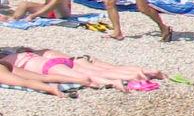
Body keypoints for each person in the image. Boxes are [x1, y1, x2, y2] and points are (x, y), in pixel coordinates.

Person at [10, 49, 166, 90]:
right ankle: (143, 71)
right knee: (104, 69)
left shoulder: (6, 62)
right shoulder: (34, 52)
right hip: (68, 59)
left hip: (49, 67)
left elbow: (27, 78)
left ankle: (116, 83)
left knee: (92, 76)